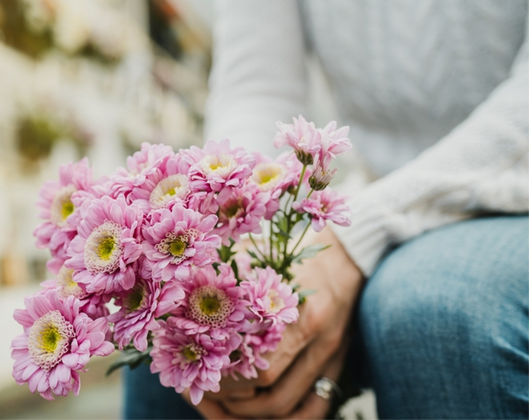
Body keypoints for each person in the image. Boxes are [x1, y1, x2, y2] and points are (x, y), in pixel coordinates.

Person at [124, 1, 529, 419]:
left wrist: (353, 245)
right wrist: (242, 239)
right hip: (382, 195)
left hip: (512, 194)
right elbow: (257, 89)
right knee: (174, 322)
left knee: (432, 311)